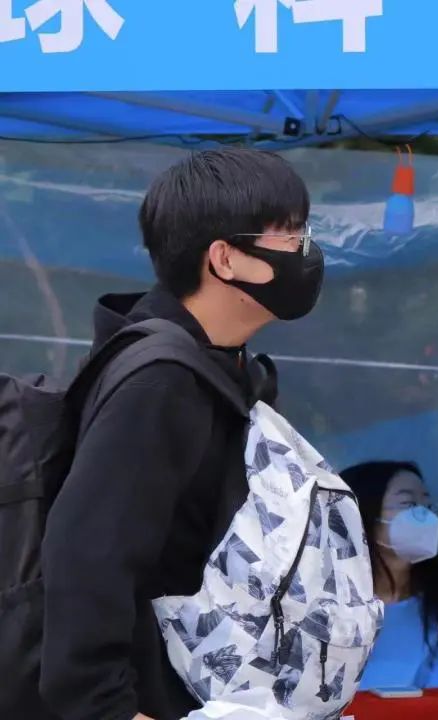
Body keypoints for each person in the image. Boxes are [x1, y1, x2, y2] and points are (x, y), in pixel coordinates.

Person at [40, 148, 324, 720]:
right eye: (291, 235)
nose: (307, 252)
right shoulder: (160, 380)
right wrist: (108, 708)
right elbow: (87, 557)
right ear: (225, 258)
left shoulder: (223, 368)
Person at [340, 461, 438, 690]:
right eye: (408, 504)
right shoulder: (318, 609)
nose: (424, 515)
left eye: (427, 505)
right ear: (359, 514)